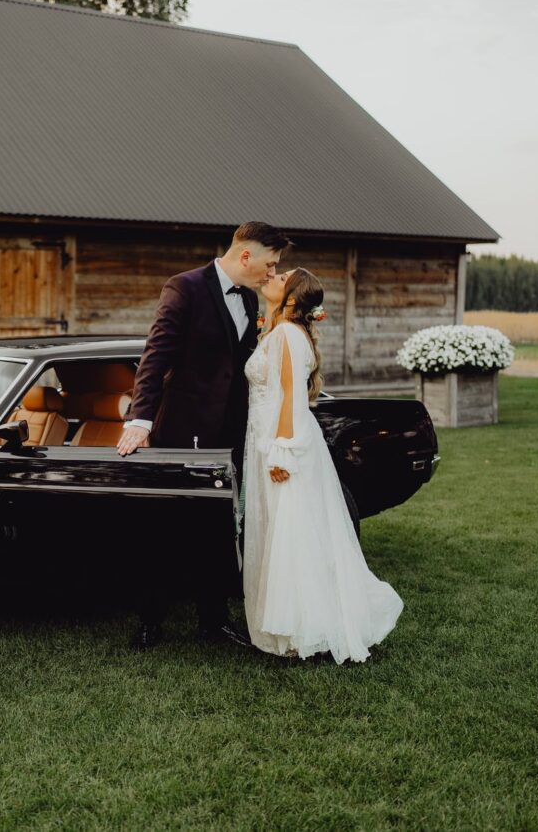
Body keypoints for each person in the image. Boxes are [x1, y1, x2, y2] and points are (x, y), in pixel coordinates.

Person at [117, 221, 290, 650]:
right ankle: (149, 622)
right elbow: (155, 356)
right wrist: (140, 421)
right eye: (270, 265)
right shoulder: (185, 287)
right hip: (181, 431)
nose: (272, 274)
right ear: (245, 255)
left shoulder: (250, 300)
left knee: (219, 530)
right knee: (164, 531)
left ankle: (213, 620)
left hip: (229, 435)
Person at [242, 268, 403, 663]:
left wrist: (282, 451)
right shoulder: (279, 331)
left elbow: (292, 399)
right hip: (269, 439)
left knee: (292, 533)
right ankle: (294, 624)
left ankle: (301, 628)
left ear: (292, 297)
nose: (273, 275)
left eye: (282, 276)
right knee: (290, 531)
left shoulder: (286, 335)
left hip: (284, 444)